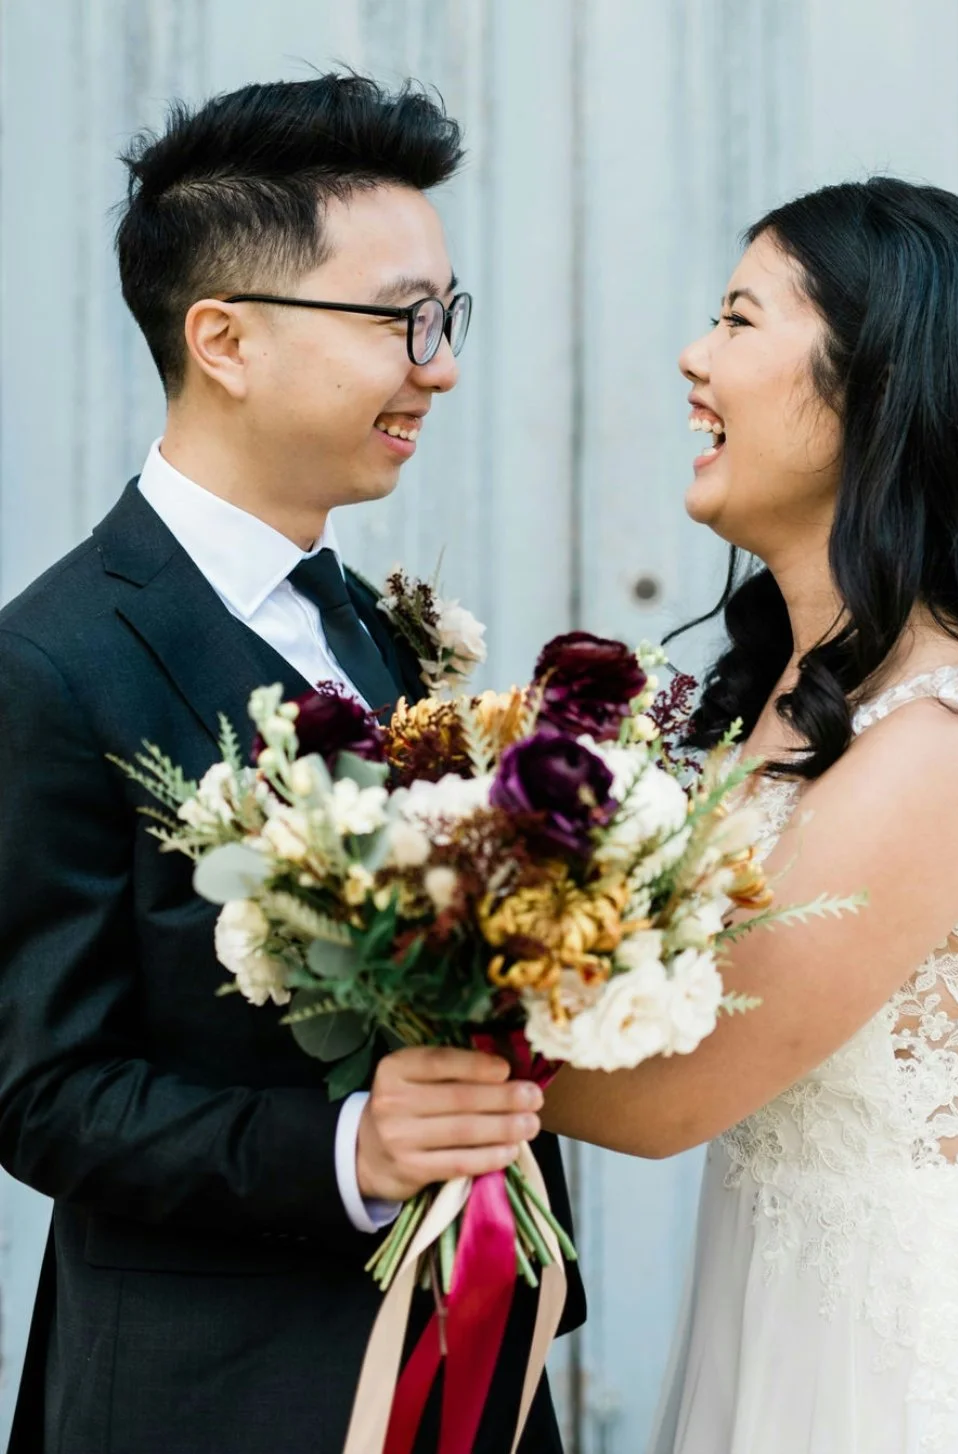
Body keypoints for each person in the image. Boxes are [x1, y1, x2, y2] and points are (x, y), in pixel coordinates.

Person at [0, 74, 582, 1454]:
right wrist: (348, 1152)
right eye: (401, 319)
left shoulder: (379, 629)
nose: (437, 364)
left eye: (447, 318)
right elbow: (40, 1088)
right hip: (210, 1393)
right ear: (225, 339)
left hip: (467, 1369)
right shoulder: (51, 660)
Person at [541, 177, 958, 1452]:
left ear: (877, 389)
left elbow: (665, 1092)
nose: (691, 357)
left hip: (908, 1357)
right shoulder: (801, 685)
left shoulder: (948, 733)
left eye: (738, 319)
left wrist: (385, 970)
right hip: (777, 1302)